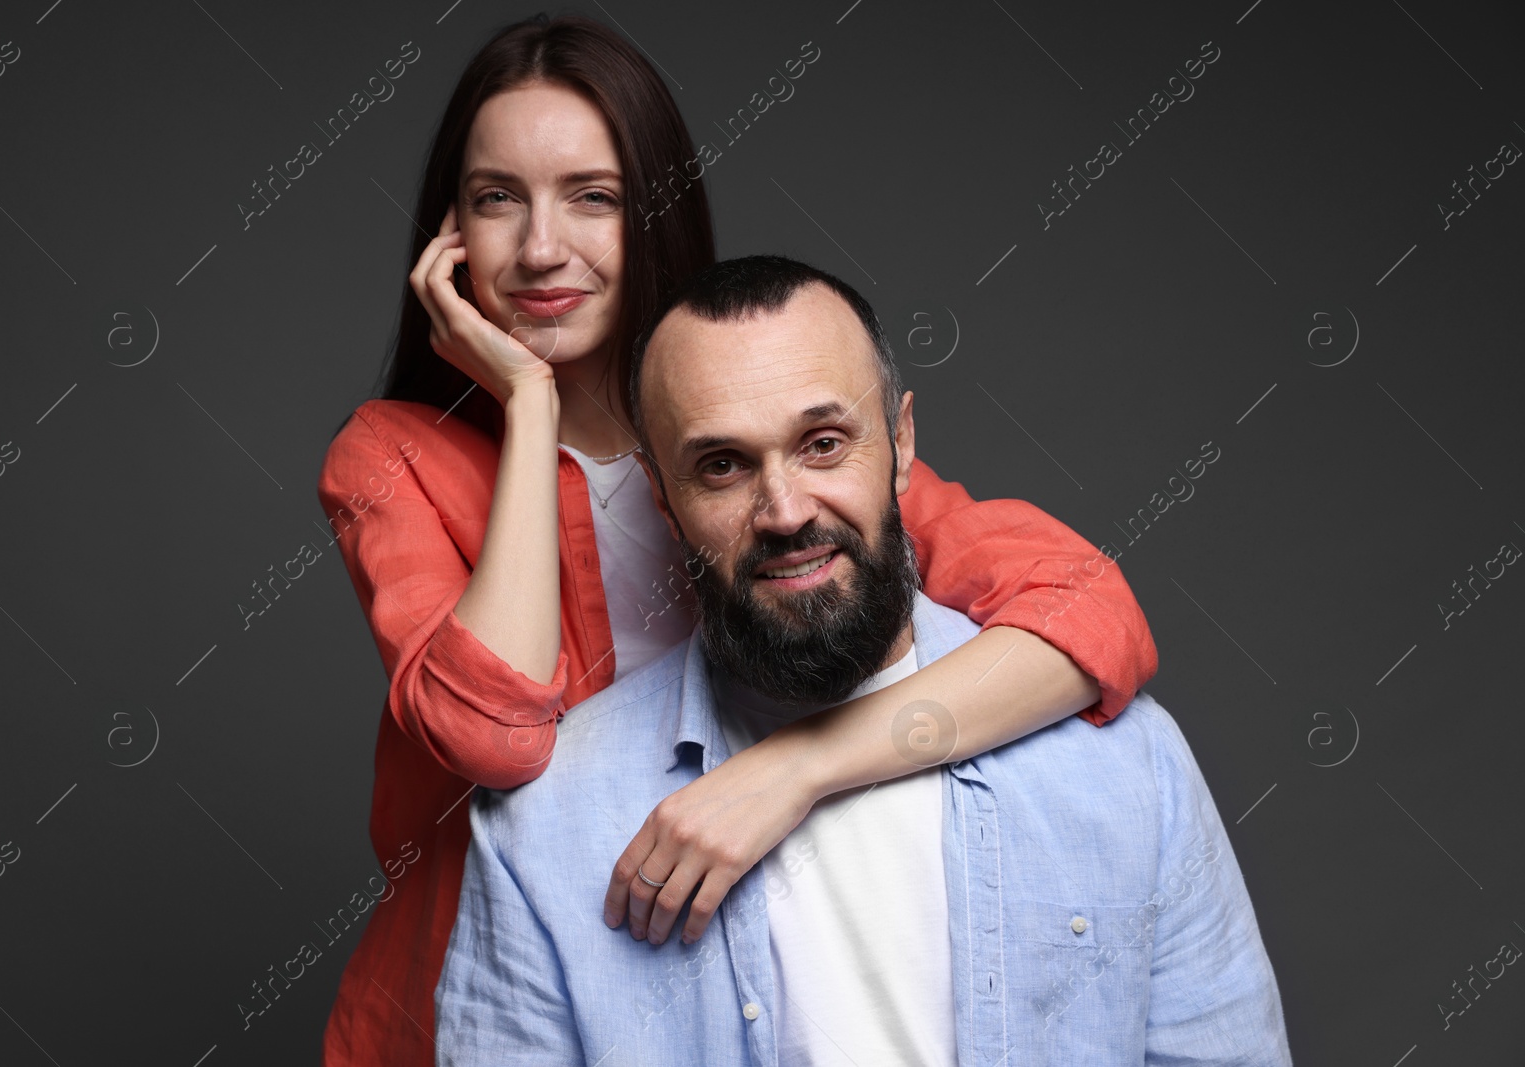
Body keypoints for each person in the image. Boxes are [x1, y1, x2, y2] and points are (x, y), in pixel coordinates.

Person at [316, 15, 1157, 1065]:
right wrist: (526, 402)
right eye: (497, 198)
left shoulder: (765, 448)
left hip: (725, 968)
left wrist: (794, 771)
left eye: (593, 196)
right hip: (483, 1006)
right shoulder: (392, 458)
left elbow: (1090, 616)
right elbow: (496, 735)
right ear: (449, 232)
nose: (539, 248)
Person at [434, 254, 1291, 1066]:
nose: (784, 508)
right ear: (665, 498)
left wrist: (801, 767)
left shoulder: (1127, 767)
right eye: (723, 465)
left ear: (903, 441)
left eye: (823, 443)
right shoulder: (548, 826)